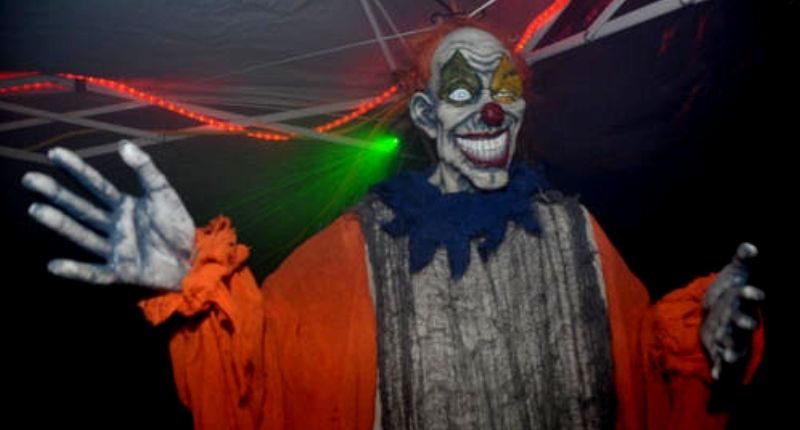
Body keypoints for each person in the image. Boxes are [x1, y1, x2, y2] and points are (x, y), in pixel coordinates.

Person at [22, 25, 764, 430]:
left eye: (506, 88)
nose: (492, 109)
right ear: (426, 115)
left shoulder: (576, 232)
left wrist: (705, 346)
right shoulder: (354, 249)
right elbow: (263, 376)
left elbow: (645, 375)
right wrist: (196, 283)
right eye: (465, 91)